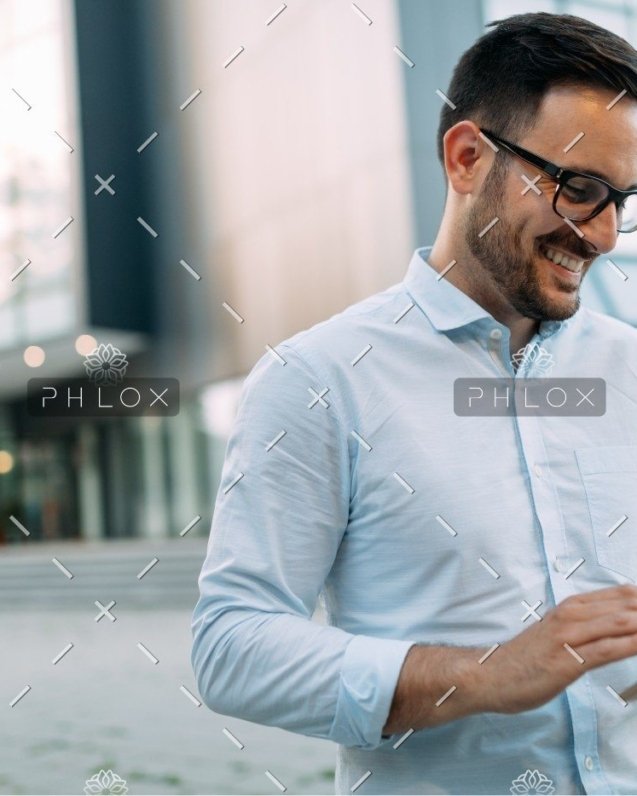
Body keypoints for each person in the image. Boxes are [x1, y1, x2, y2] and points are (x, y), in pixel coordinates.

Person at [191, 12, 637, 795]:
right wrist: (485, 675)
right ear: (466, 158)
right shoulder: (319, 380)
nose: (601, 234)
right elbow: (232, 647)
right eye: (578, 189)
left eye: (623, 198)